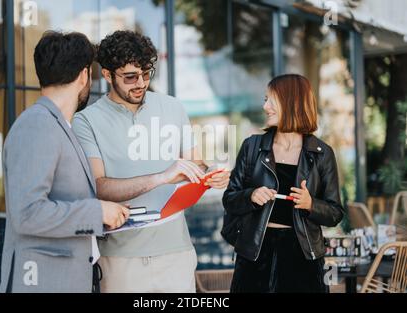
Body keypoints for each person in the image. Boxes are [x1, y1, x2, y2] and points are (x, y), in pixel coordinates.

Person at [72, 30, 230, 293]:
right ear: (108, 75)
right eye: (131, 76)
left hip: (177, 252)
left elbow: (196, 163)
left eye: (146, 74)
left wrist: (210, 173)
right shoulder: (86, 121)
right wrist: (161, 177)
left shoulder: (174, 107)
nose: (141, 83)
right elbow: (98, 187)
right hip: (120, 259)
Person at [0, 31, 129, 293]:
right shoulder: (38, 125)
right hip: (43, 282)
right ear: (84, 76)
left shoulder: (57, 125)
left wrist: (103, 213)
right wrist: (97, 212)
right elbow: (28, 213)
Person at [222, 74, 344, 293]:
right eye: (265, 99)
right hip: (255, 254)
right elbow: (230, 199)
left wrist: (310, 204)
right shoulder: (252, 147)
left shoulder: (322, 153)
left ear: (292, 102)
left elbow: (335, 213)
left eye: (271, 100)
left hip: (303, 257)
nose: (265, 106)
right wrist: (250, 195)